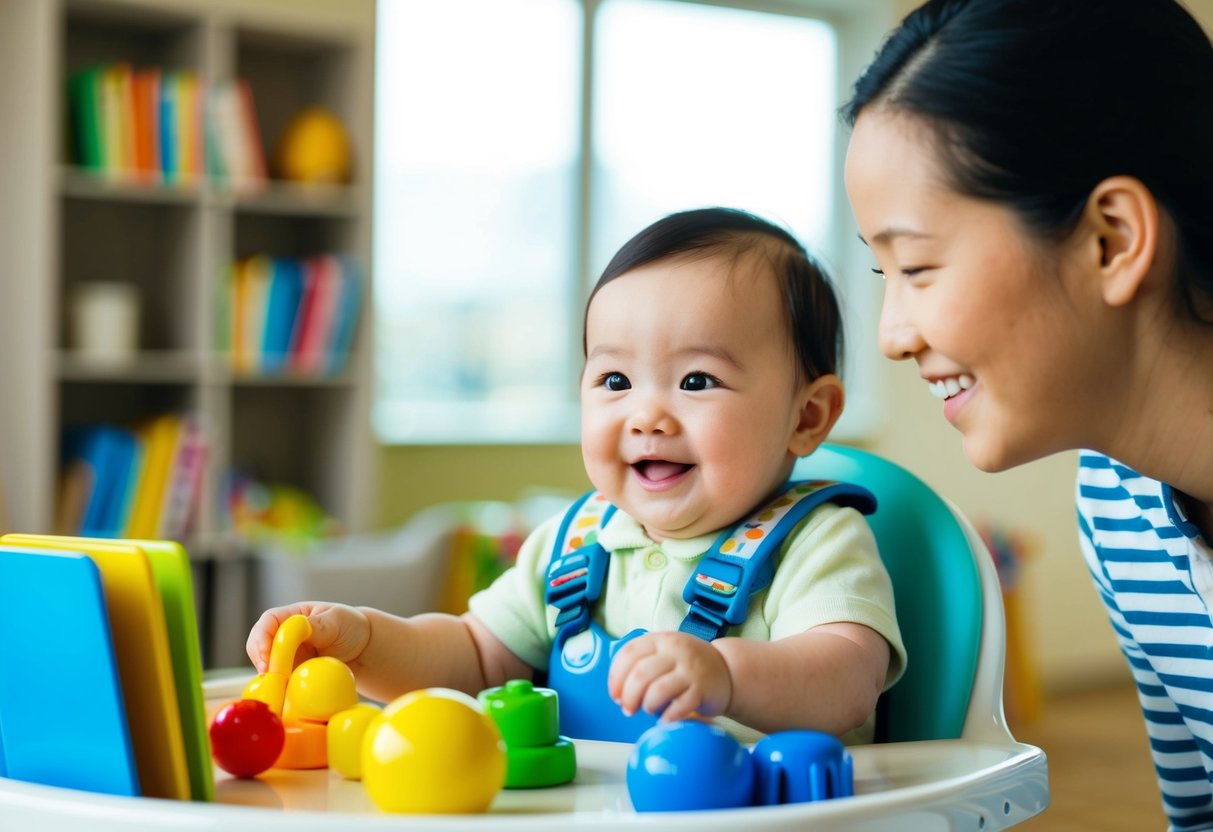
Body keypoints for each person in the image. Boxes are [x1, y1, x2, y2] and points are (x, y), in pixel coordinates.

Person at [247, 207, 905, 744]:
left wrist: (725, 675)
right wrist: (364, 640)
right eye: (615, 380)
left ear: (807, 416)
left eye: (696, 380)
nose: (646, 414)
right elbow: (474, 658)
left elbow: (845, 682)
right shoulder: (576, 543)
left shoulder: (819, 542)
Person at [841, 0, 1213, 826]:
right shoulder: (1116, 506)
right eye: (881, 275)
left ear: (1110, 240)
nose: (892, 336)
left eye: (918, 266)